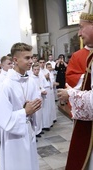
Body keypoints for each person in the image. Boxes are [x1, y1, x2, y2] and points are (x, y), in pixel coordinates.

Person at [0, 43, 42, 170]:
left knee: (29, 163)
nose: (31, 61)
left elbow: (35, 101)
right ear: (15, 60)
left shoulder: (30, 81)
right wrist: (24, 112)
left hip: (28, 130)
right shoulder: (6, 85)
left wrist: (35, 107)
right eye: (27, 58)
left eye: (32, 57)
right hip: (14, 136)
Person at [58, 1, 93, 169]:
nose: (79, 33)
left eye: (81, 27)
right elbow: (71, 75)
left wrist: (70, 95)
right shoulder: (80, 55)